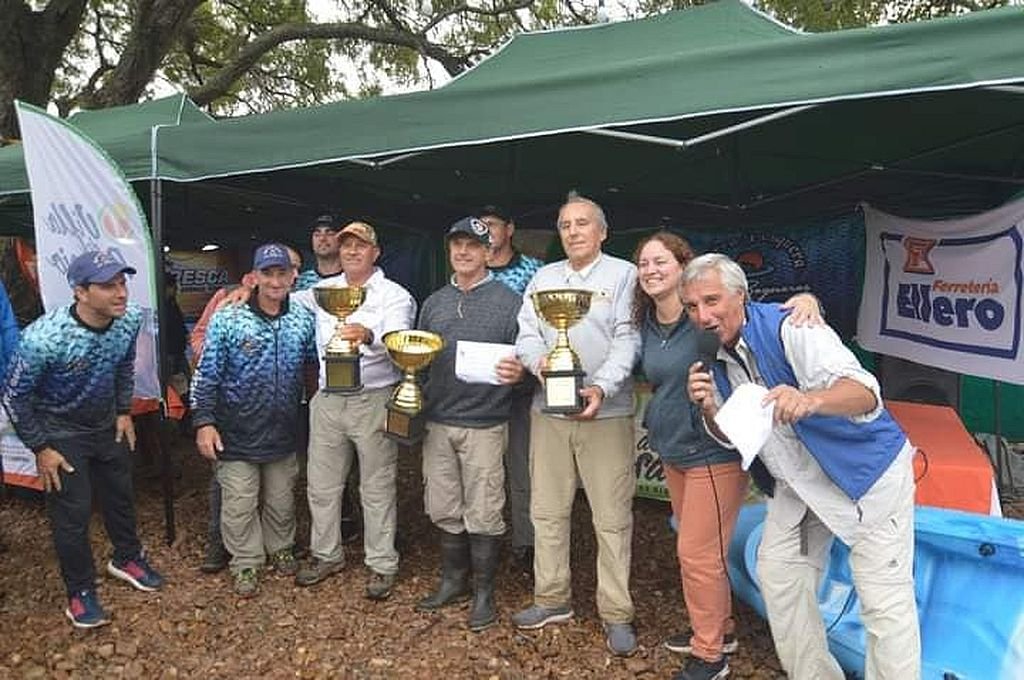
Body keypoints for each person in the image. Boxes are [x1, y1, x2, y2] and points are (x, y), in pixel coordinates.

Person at [683, 253, 920, 680]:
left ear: (741, 295)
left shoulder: (792, 326)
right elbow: (732, 437)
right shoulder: (709, 357)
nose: (703, 315)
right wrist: (708, 410)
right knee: (780, 576)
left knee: (884, 602)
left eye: (712, 300)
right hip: (798, 484)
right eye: (692, 306)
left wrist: (811, 401)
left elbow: (866, 393)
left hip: (866, 478)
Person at [633, 233, 821, 680]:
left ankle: (710, 655)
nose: (651, 270)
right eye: (643, 263)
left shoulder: (707, 318)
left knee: (697, 554)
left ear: (684, 267)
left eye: (661, 261)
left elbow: (756, 312)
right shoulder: (648, 324)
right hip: (673, 447)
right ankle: (722, 629)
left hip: (713, 451)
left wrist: (808, 301)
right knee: (699, 549)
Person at [1, 250, 164, 628]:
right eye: (108, 286)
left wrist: (122, 411)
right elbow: (14, 395)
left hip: (106, 424)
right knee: (72, 515)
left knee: (121, 496)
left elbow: (124, 365)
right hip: (60, 433)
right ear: (81, 292)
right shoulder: (43, 338)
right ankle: (80, 592)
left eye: (122, 283)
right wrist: (41, 447)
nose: (121, 293)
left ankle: (127, 558)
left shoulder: (128, 320)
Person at [512, 193, 640, 656]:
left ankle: (616, 612)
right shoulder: (543, 278)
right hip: (548, 411)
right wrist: (539, 363)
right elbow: (526, 334)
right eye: (565, 224)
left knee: (612, 518)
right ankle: (552, 598)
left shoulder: (625, 275)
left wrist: (602, 386)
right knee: (547, 510)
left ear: (602, 232)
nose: (573, 231)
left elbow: (628, 337)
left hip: (607, 414)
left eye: (583, 223)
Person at [292, 221, 416, 601]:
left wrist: (368, 335)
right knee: (321, 484)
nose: (351, 251)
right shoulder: (322, 291)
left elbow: (399, 342)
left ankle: (381, 563)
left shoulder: (395, 295)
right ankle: (326, 554)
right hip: (328, 398)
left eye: (360, 246)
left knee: (376, 485)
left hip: (373, 396)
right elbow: (278, 298)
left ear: (375, 252)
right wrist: (243, 288)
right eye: (346, 245)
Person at [415, 217, 525, 631]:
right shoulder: (434, 303)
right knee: (443, 506)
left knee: (484, 509)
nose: (463, 252)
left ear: (488, 252)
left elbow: (528, 361)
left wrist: (522, 374)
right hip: (439, 420)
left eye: (472, 246)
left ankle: (484, 592)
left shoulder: (510, 302)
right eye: (456, 245)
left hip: (486, 422)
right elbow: (419, 361)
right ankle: (453, 581)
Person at [190, 243, 316, 597]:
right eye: (267, 273)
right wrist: (204, 422)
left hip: (283, 429)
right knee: (239, 501)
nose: (275, 281)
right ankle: (245, 561)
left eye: (281, 273)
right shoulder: (229, 317)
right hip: (235, 429)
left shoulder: (302, 318)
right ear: (254, 277)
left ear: (293, 276)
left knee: (281, 498)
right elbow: (207, 373)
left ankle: (280, 547)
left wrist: (315, 408)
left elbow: (311, 366)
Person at [479, 205, 543, 575]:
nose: (486, 232)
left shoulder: (534, 270)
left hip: (522, 388)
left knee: (523, 469)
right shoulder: (474, 269)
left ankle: (526, 542)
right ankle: (485, 543)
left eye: (492, 225)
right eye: (480, 227)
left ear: (510, 228)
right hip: (479, 390)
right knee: (484, 471)